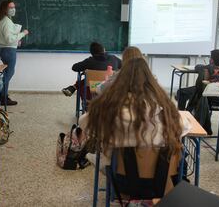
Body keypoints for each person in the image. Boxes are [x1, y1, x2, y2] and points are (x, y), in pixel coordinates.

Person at [79, 58, 191, 196]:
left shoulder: (110, 110)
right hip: (162, 180)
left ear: (120, 82)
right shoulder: (167, 111)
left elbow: (84, 123)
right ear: (152, 82)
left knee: (101, 155)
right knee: (180, 152)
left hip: (121, 180)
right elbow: (185, 128)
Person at [0, 0, 29, 106]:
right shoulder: (6, 22)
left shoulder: (3, 20)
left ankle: (2, 95)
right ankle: (2, 97)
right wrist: (23, 33)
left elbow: (8, 39)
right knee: (8, 74)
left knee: (7, 74)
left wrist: (16, 41)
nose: (13, 9)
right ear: (5, 9)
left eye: (14, 7)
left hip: (6, 49)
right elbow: (9, 39)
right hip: (8, 50)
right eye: (10, 7)